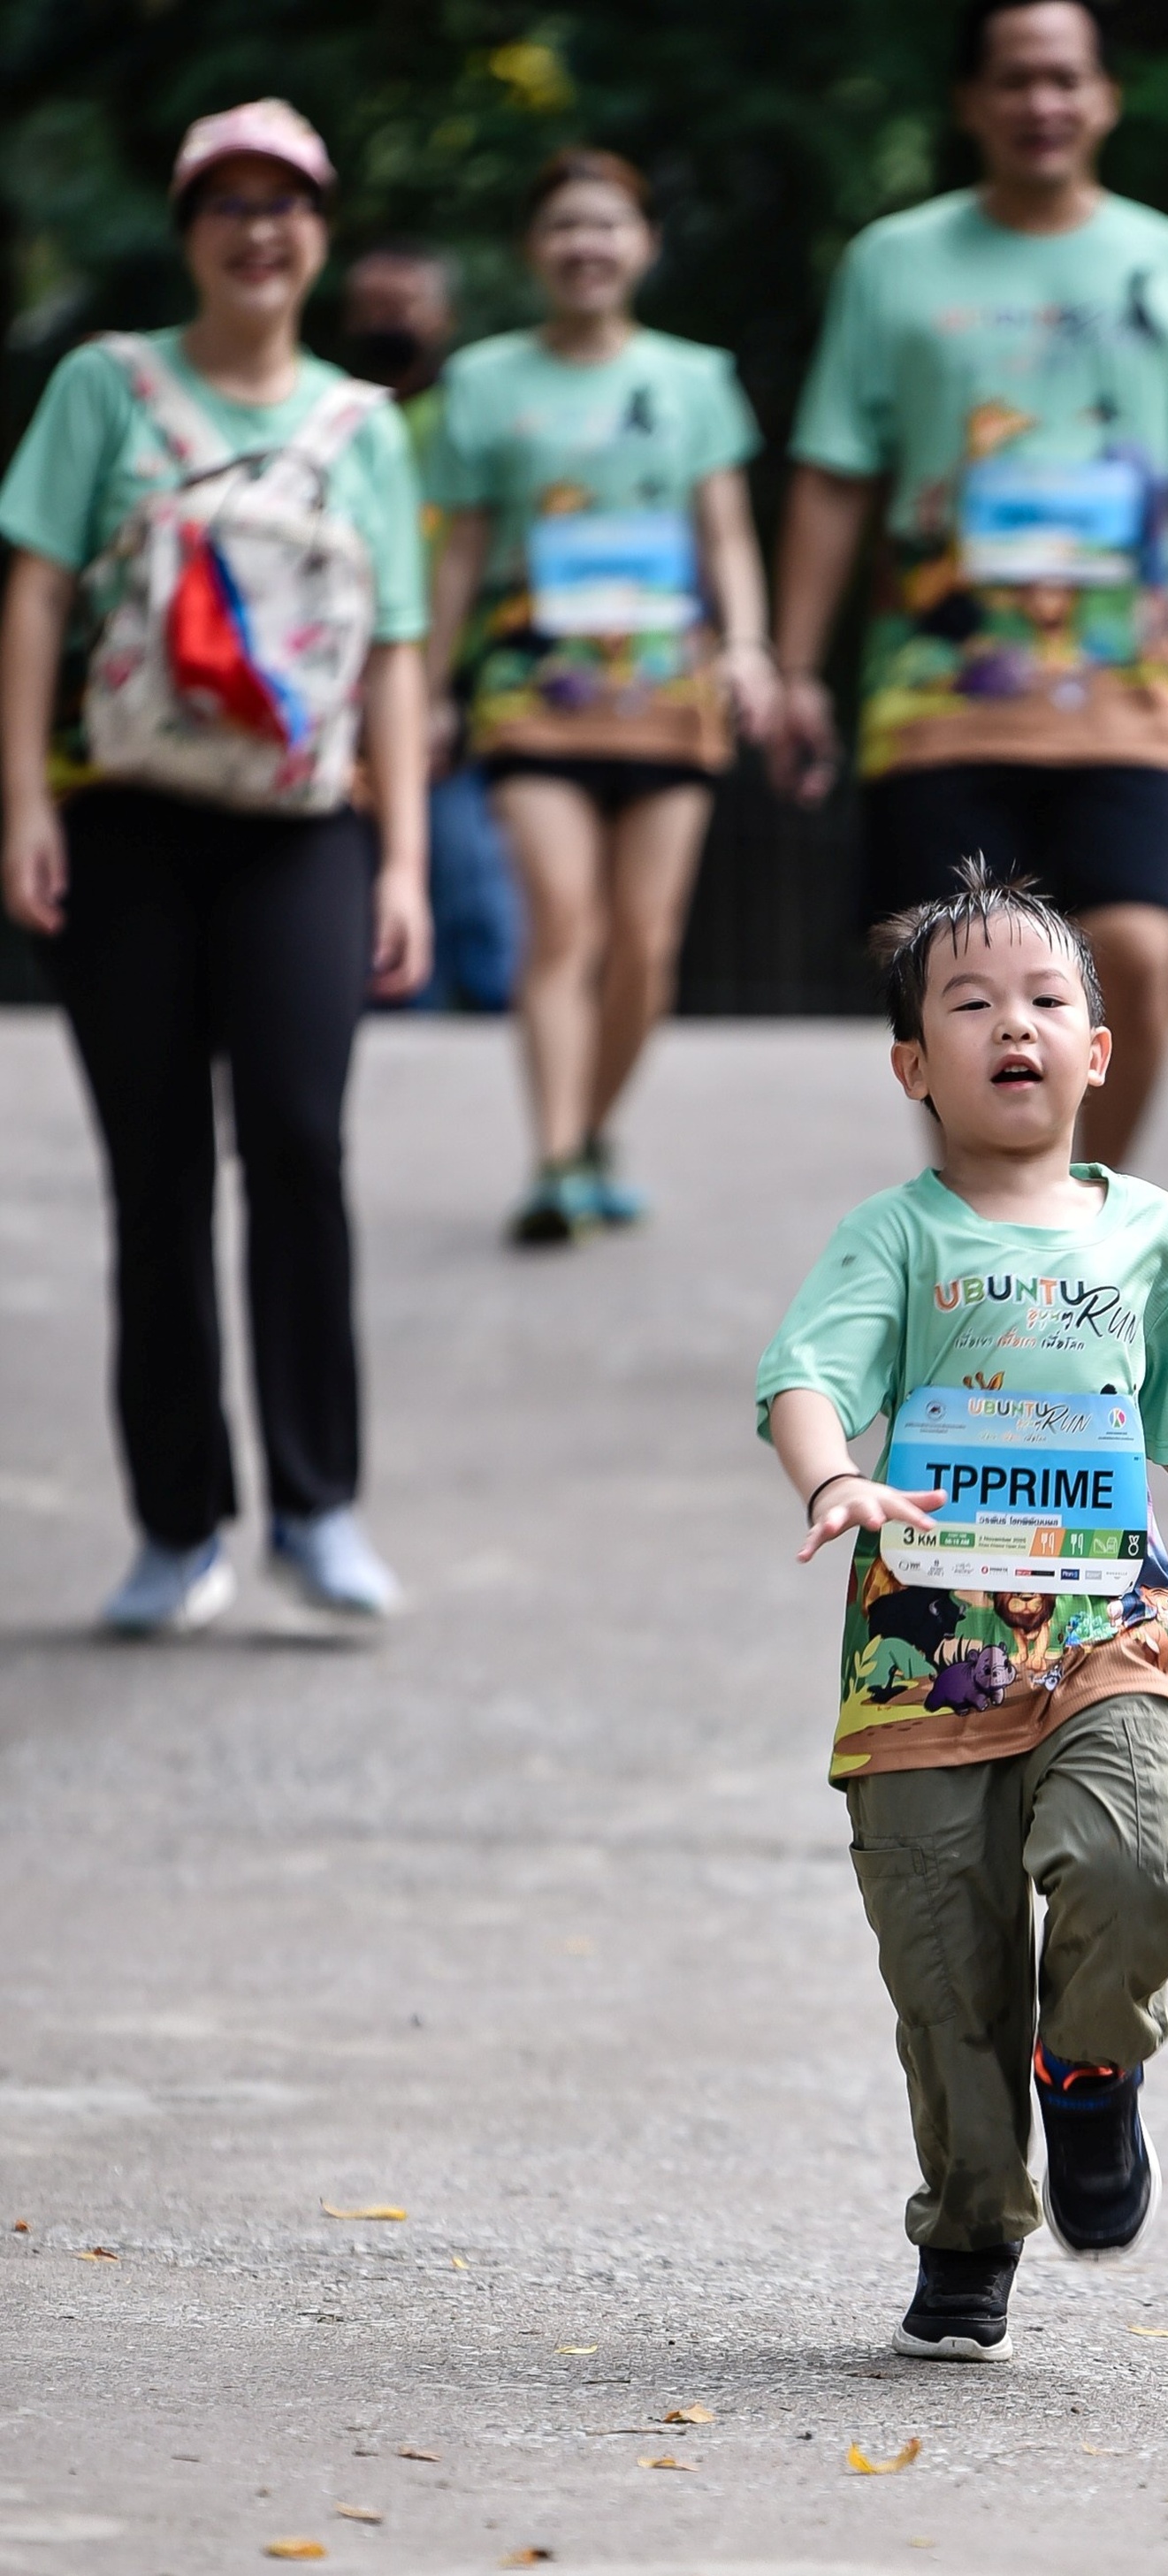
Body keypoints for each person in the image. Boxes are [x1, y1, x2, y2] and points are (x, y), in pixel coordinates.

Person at [756, 860, 1168, 2359]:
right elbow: (805, 1378)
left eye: (1041, 1000)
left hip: (1106, 1633)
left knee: (1132, 1863)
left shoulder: (1148, 1234)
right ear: (915, 1066)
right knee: (947, 1975)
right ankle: (970, 2229)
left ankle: (1090, 2072)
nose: (1010, 1025)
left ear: (1097, 1050)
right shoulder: (896, 1238)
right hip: (925, 1659)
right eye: (969, 1005)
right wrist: (835, 1479)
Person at [0, 96, 429, 1637]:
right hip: (123, 817)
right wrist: (23, 802)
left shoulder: (362, 427)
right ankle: (177, 1528)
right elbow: (36, 592)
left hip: (303, 832)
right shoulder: (105, 387)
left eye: (287, 203)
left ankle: (317, 1506)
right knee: (157, 1170)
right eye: (229, 203)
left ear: (321, 234)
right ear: (188, 232)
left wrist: (402, 860)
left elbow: (395, 648)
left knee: (300, 1146)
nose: (260, 230)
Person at [771, 0, 1168, 1167]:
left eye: (1065, 78)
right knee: (960, 992)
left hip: (1133, 684)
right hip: (940, 689)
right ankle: (994, 1235)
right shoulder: (893, 262)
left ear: (1106, 97)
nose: (1041, 102)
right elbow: (833, 476)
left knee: (1137, 959)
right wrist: (795, 669)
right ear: (970, 102)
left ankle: (1083, 1222)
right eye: (1015, 79)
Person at [423, 149, 782, 1246]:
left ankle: (587, 1131)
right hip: (532, 688)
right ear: (532, 248)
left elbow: (726, 532)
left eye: (608, 224)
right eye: (564, 225)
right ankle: (552, 1160)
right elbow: (458, 548)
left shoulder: (694, 380)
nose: (586, 245)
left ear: (645, 245)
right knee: (560, 922)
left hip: (668, 694)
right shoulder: (482, 382)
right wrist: (429, 687)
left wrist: (750, 646)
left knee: (645, 945)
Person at [340, 239, 520, 1017]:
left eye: (404, 307)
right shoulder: (332, 418)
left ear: (443, 317)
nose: (388, 324)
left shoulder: (466, 418)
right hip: (341, 697)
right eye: (373, 309)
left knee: (476, 900)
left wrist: (441, 693)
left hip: (453, 701)